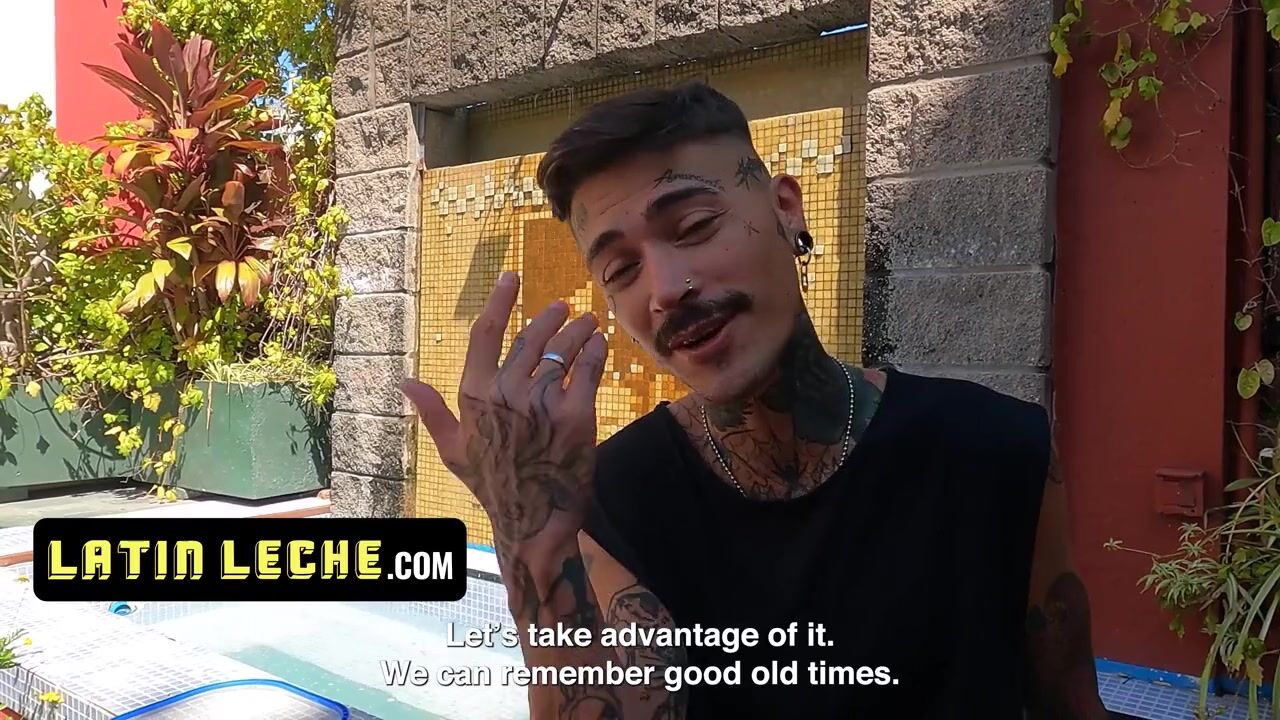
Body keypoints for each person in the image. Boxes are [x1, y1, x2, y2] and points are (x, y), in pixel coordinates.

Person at [402, 81, 1110, 719]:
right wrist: (531, 538)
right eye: (621, 269)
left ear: (784, 210)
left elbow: (1070, 703)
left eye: (694, 227)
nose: (666, 289)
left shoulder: (995, 449)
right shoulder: (616, 495)